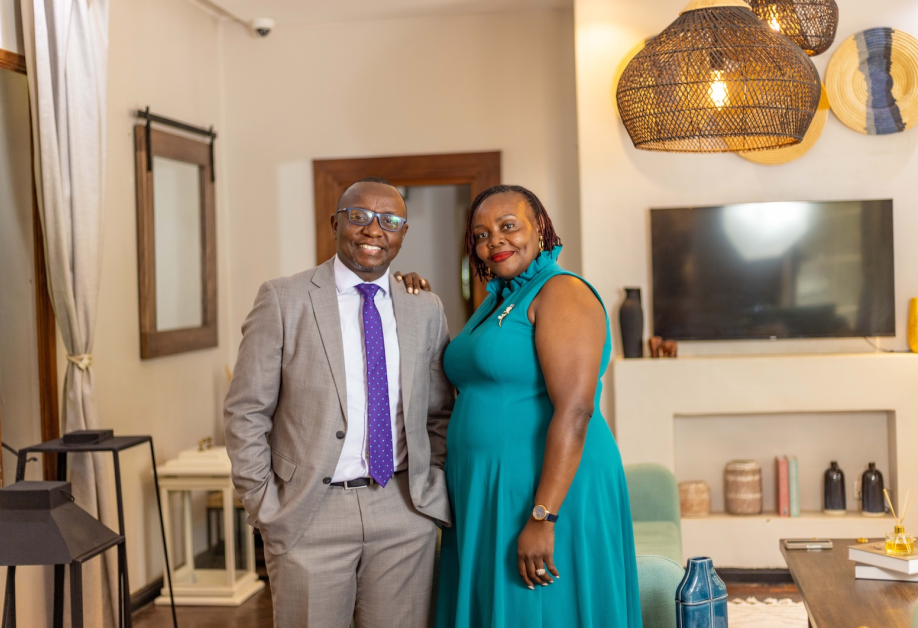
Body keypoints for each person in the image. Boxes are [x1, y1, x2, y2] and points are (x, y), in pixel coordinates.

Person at [402, 184, 642, 627]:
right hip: (488, 491)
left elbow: (576, 411)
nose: (494, 240)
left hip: (544, 490)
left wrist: (543, 516)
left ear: (541, 229)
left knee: (542, 611)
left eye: (508, 226)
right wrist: (406, 298)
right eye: (480, 234)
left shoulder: (561, 291)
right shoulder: (496, 298)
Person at [224, 177, 453, 628]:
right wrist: (264, 505)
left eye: (389, 221)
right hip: (309, 512)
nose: (373, 230)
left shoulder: (425, 308)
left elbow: (438, 412)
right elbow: (245, 412)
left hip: (403, 511)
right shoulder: (283, 299)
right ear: (336, 223)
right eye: (359, 217)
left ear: (403, 234)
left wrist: (432, 485)